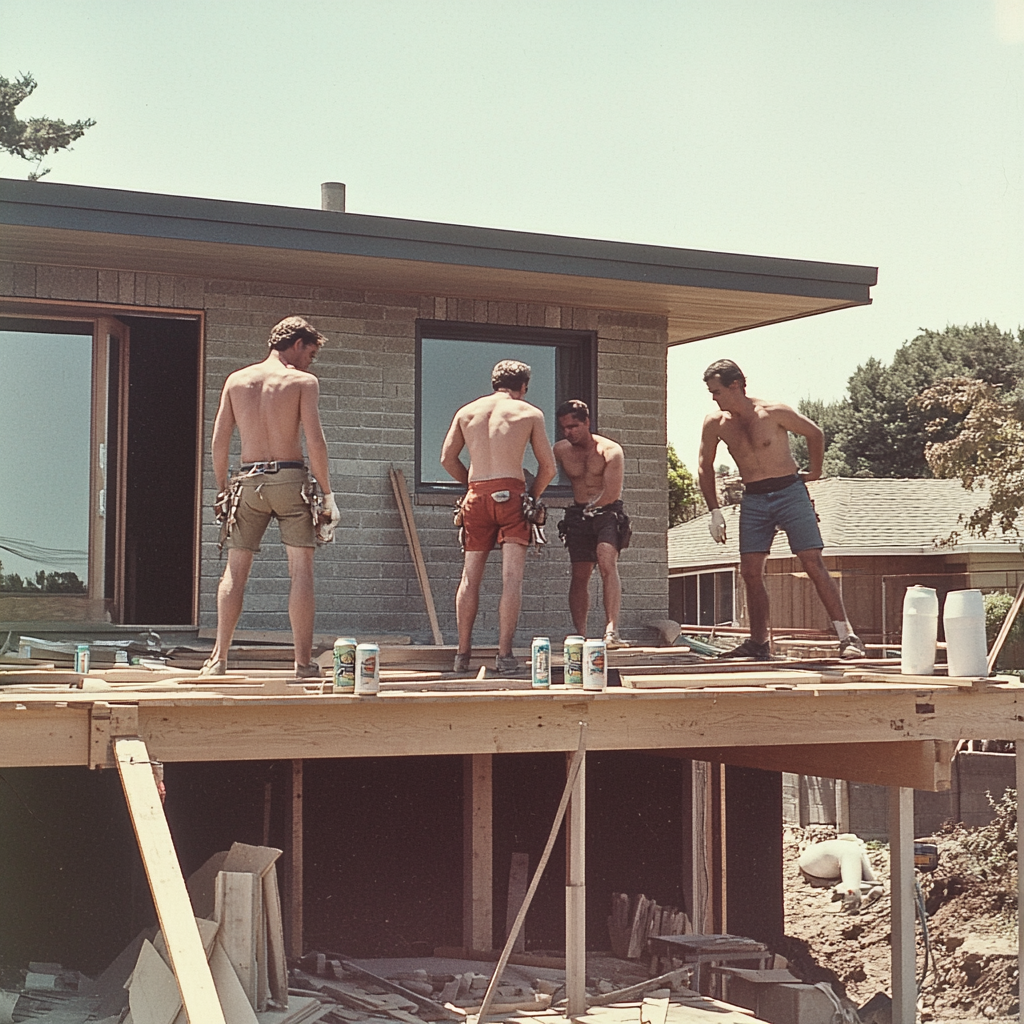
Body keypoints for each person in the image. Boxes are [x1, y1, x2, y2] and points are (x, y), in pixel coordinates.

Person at [698, 359, 866, 661]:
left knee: (812, 561)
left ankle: (848, 637)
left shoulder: (773, 412)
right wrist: (714, 511)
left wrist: (814, 473)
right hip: (754, 498)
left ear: (735, 385)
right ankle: (759, 643)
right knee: (750, 571)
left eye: (717, 391)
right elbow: (704, 466)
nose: (714, 398)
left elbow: (815, 433)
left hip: (789, 491)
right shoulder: (716, 423)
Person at [200, 316, 339, 678]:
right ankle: (303, 664)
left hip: (246, 482)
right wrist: (327, 494)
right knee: (301, 572)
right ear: (296, 344)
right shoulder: (302, 382)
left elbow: (218, 440)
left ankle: (219, 659)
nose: (310, 361)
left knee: (235, 570)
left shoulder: (236, 380)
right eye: (310, 353)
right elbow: (315, 440)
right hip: (290, 479)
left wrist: (221, 490)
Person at [440, 359, 557, 675]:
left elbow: (447, 459)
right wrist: (532, 497)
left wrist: (471, 485)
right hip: (511, 494)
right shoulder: (529, 413)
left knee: (469, 576)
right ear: (523, 386)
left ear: (494, 383)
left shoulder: (467, 412)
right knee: (511, 578)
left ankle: (462, 655)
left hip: (476, 496)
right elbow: (548, 467)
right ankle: (504, 656)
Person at [553, 400, 631, 647]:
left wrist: (594, 509)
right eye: (564, 427)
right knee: (580, 574)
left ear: (587, 422)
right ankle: (581, 633)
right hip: (578, 513)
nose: (569, 432)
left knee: (607, 560)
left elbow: (611, 491)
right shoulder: (561, 450)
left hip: (606, 512)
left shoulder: (610, 451)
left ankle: (611, 631)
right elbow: (544, 472)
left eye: (574, 426)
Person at [797, 835, 883, 913]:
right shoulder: (852, 849)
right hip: (823, 866)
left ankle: (840, 887)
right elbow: (869, 877)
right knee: (854, 884)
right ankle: (849, 901)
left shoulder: (832, 845)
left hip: (806, 866)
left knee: (849, 880)